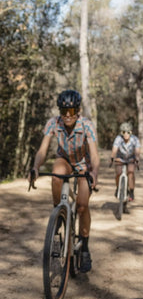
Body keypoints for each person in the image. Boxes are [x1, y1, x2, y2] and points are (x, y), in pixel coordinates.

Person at [29, 89, 99, 273]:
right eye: (64, 112)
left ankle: (84, 246)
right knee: (56, 174)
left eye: (72, 111)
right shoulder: (53, 123)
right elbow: (43, 150)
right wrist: (36, 167)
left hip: (84, 164)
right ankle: (58, 212)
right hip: (65, 160)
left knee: (83, 206)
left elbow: (94, 154)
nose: (68, 116)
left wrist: (94, 173)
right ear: (59, 111)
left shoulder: (86, 125)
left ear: (78, 110)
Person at [110, 122, 141, 201]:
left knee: (131, 172)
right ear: (121, 133)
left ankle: (131, 191)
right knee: (118, 173)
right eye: (124, 132)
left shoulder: (135, 139)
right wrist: (112, 157)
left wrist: (137, 159)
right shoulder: (118, 139)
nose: (126, 134)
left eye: (128, 132)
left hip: (130, 158)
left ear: (131, 132)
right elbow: (114, 149)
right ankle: (118, 188)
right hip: (120, 158)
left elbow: (137, 151)